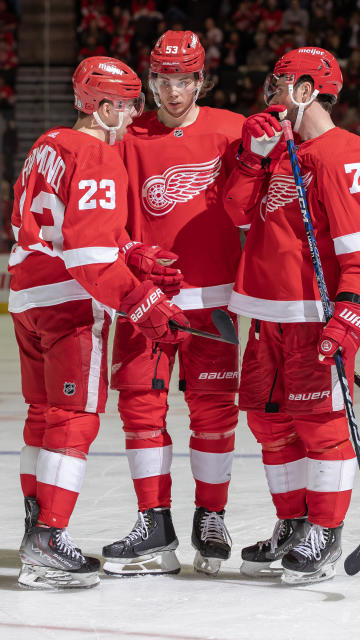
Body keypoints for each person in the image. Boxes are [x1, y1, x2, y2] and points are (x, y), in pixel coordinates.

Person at [9, 56, 188, 590]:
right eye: (129, 103)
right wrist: (142, 301)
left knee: (42, 414)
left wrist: (132, 253)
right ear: (104, 106)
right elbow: (88, 258)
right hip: (69, 300)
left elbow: (68, 226)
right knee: (75, 416)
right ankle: (47, 538)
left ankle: (33, 531)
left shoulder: (48, 143)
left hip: (27, 296)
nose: (135, 114)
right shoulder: (98, 154)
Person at [221, 47, 360, 584]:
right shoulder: (274, 147)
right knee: (269, 422)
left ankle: (326, 530)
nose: (268, 93)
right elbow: (237, 211)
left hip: (315, 314)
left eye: (279, 84)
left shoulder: (345, 153)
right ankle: (292, 522)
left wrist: (353, 308)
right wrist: (252, 156)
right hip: (265, 310)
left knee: (320, 425)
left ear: (307, 90)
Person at [104, 30, 245, 576]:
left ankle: (211, 515)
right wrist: (128, 257)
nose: (173, 88)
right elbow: (108, 214)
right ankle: (154, 524)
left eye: (184, 78)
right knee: (141, 411)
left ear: (200, 79)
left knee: (213, 413)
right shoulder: (127, 134)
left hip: (213, 301)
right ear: (153, 79)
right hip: (146, 301)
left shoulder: (231, 130)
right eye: (163, 78)